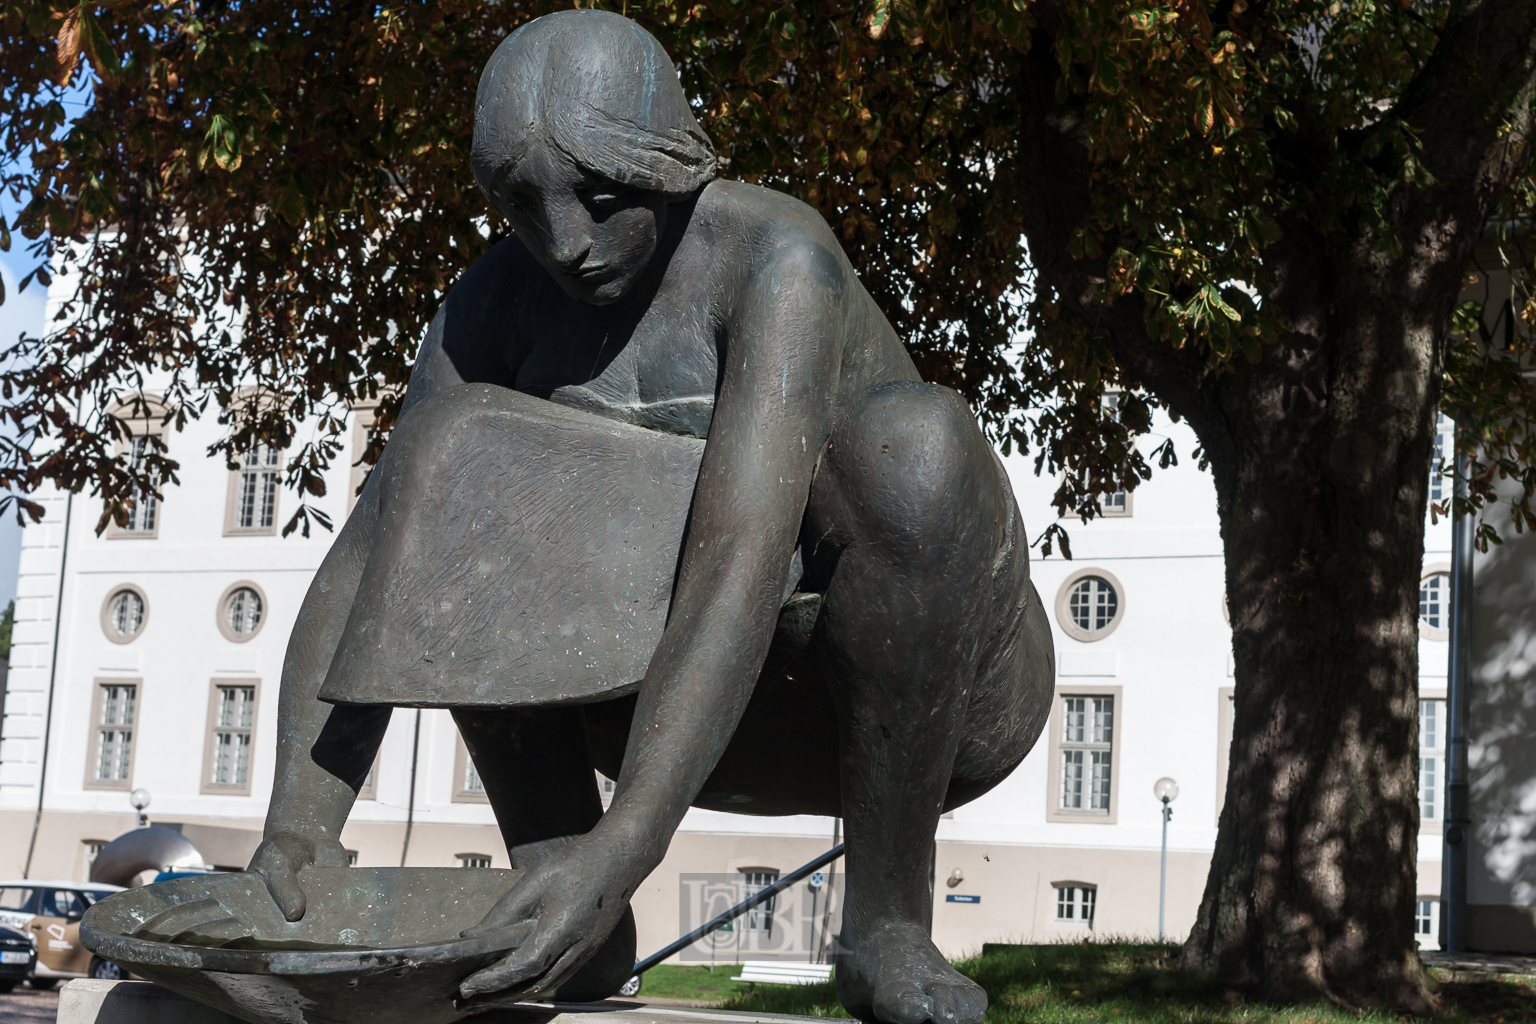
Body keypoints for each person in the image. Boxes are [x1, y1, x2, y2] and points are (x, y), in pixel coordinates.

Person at [248, 11, 1053, 1024]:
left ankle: (887, 922)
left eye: (601, 197)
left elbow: (740, 561)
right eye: (520, 205)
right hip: (647, 707)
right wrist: (299, 829)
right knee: (460, 468)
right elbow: (372, 567)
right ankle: (557, 897)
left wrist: (625, 846)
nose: (565, 245)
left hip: (917, 699)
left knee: (917, 450)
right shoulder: (487, 307)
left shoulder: (775, 259)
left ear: (672, 165)